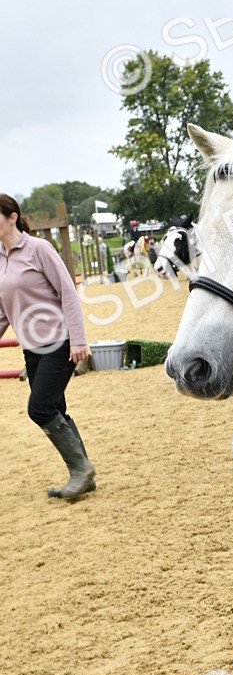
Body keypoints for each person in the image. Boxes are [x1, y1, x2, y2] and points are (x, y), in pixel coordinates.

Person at [0, 194, 95, 500]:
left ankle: (80, 469)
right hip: (31, 348)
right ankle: (84, 475)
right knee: (55, 407)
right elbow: (3, 310)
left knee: (39, 408)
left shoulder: (38, 249)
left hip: (59, 342)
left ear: (12, 217)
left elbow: (67, 292)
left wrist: (79, 340)